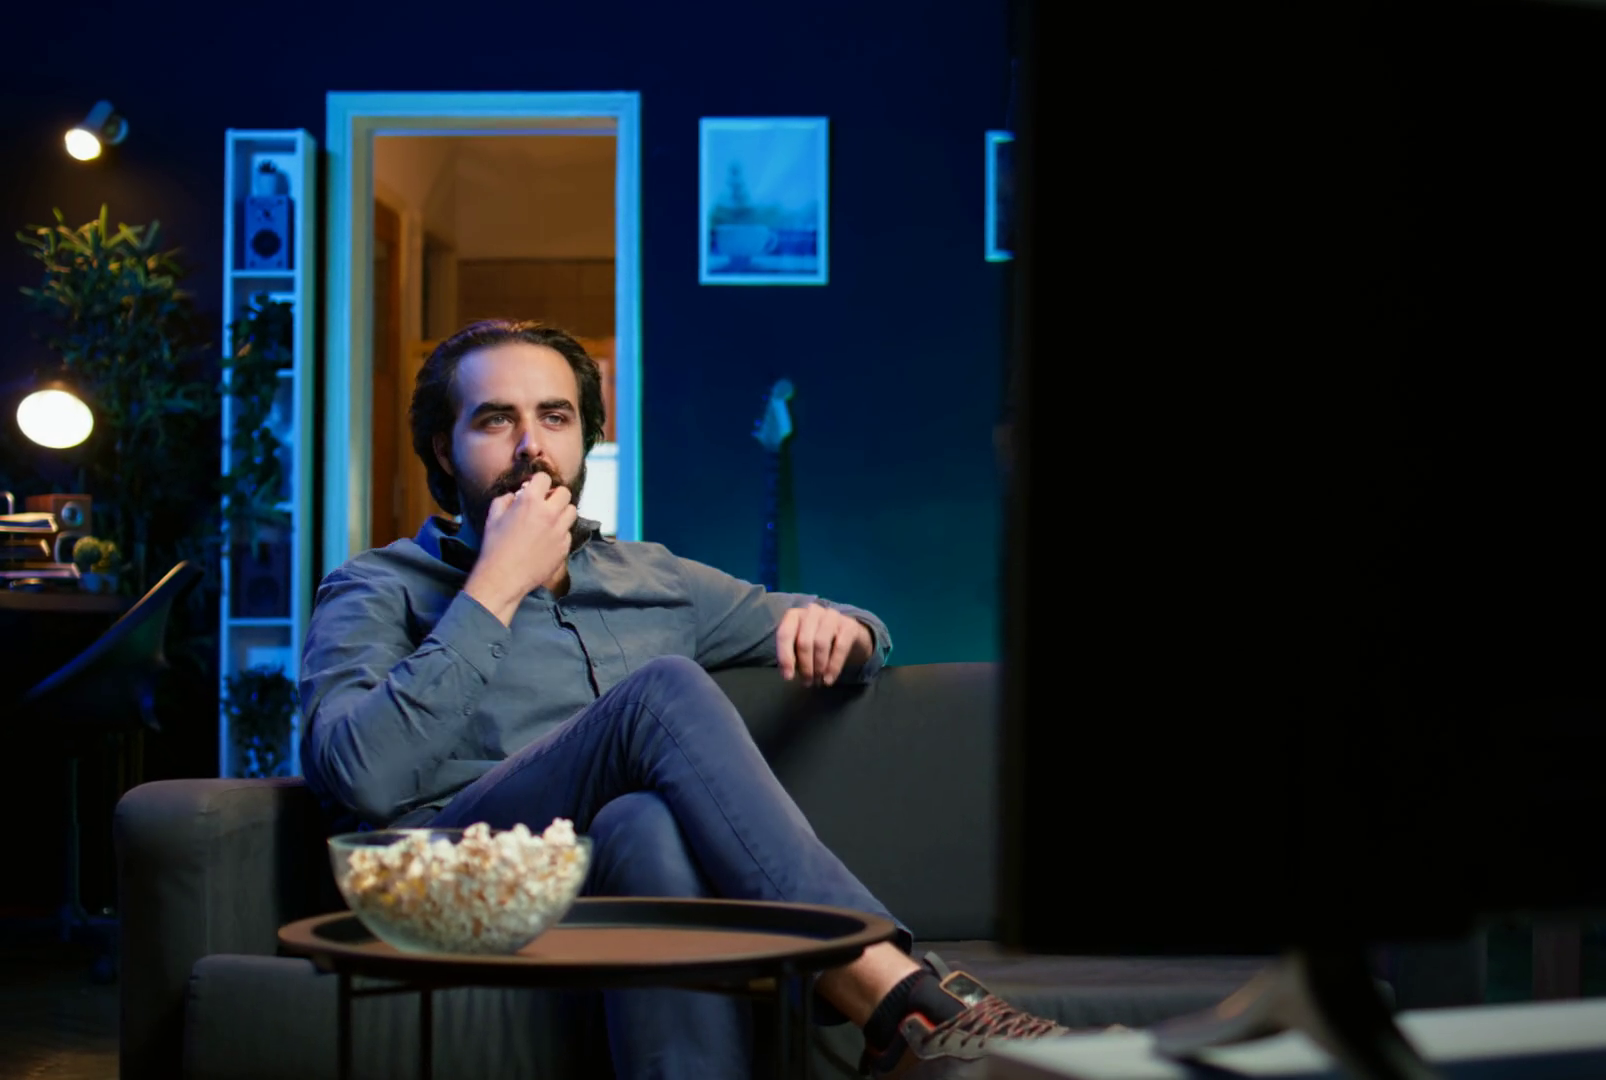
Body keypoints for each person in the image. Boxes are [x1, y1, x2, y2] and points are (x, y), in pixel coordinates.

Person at [299, 319, 1072, 1080]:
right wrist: (495, 584)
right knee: (661, 690)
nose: (531, 444)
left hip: (604, 886)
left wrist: (848, 633)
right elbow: (359, 776)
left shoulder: (655, 580)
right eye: (496, 420)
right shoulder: (377, 586)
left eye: (555, 417)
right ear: (445, 448)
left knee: (644, 821)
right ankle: (897, 997)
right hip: (449, 883)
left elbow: (856, 623)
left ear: (585, 439)